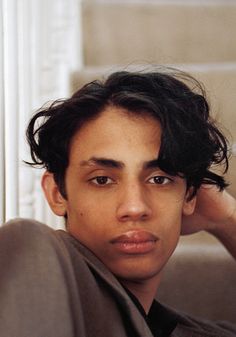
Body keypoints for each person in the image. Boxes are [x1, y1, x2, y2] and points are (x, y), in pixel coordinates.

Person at [0, 69, 236, 337]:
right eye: (102, 180)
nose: (135, 207)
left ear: (189, 195)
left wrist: (226, 216)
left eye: (159, 179)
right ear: (57, 193)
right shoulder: (32, 252)